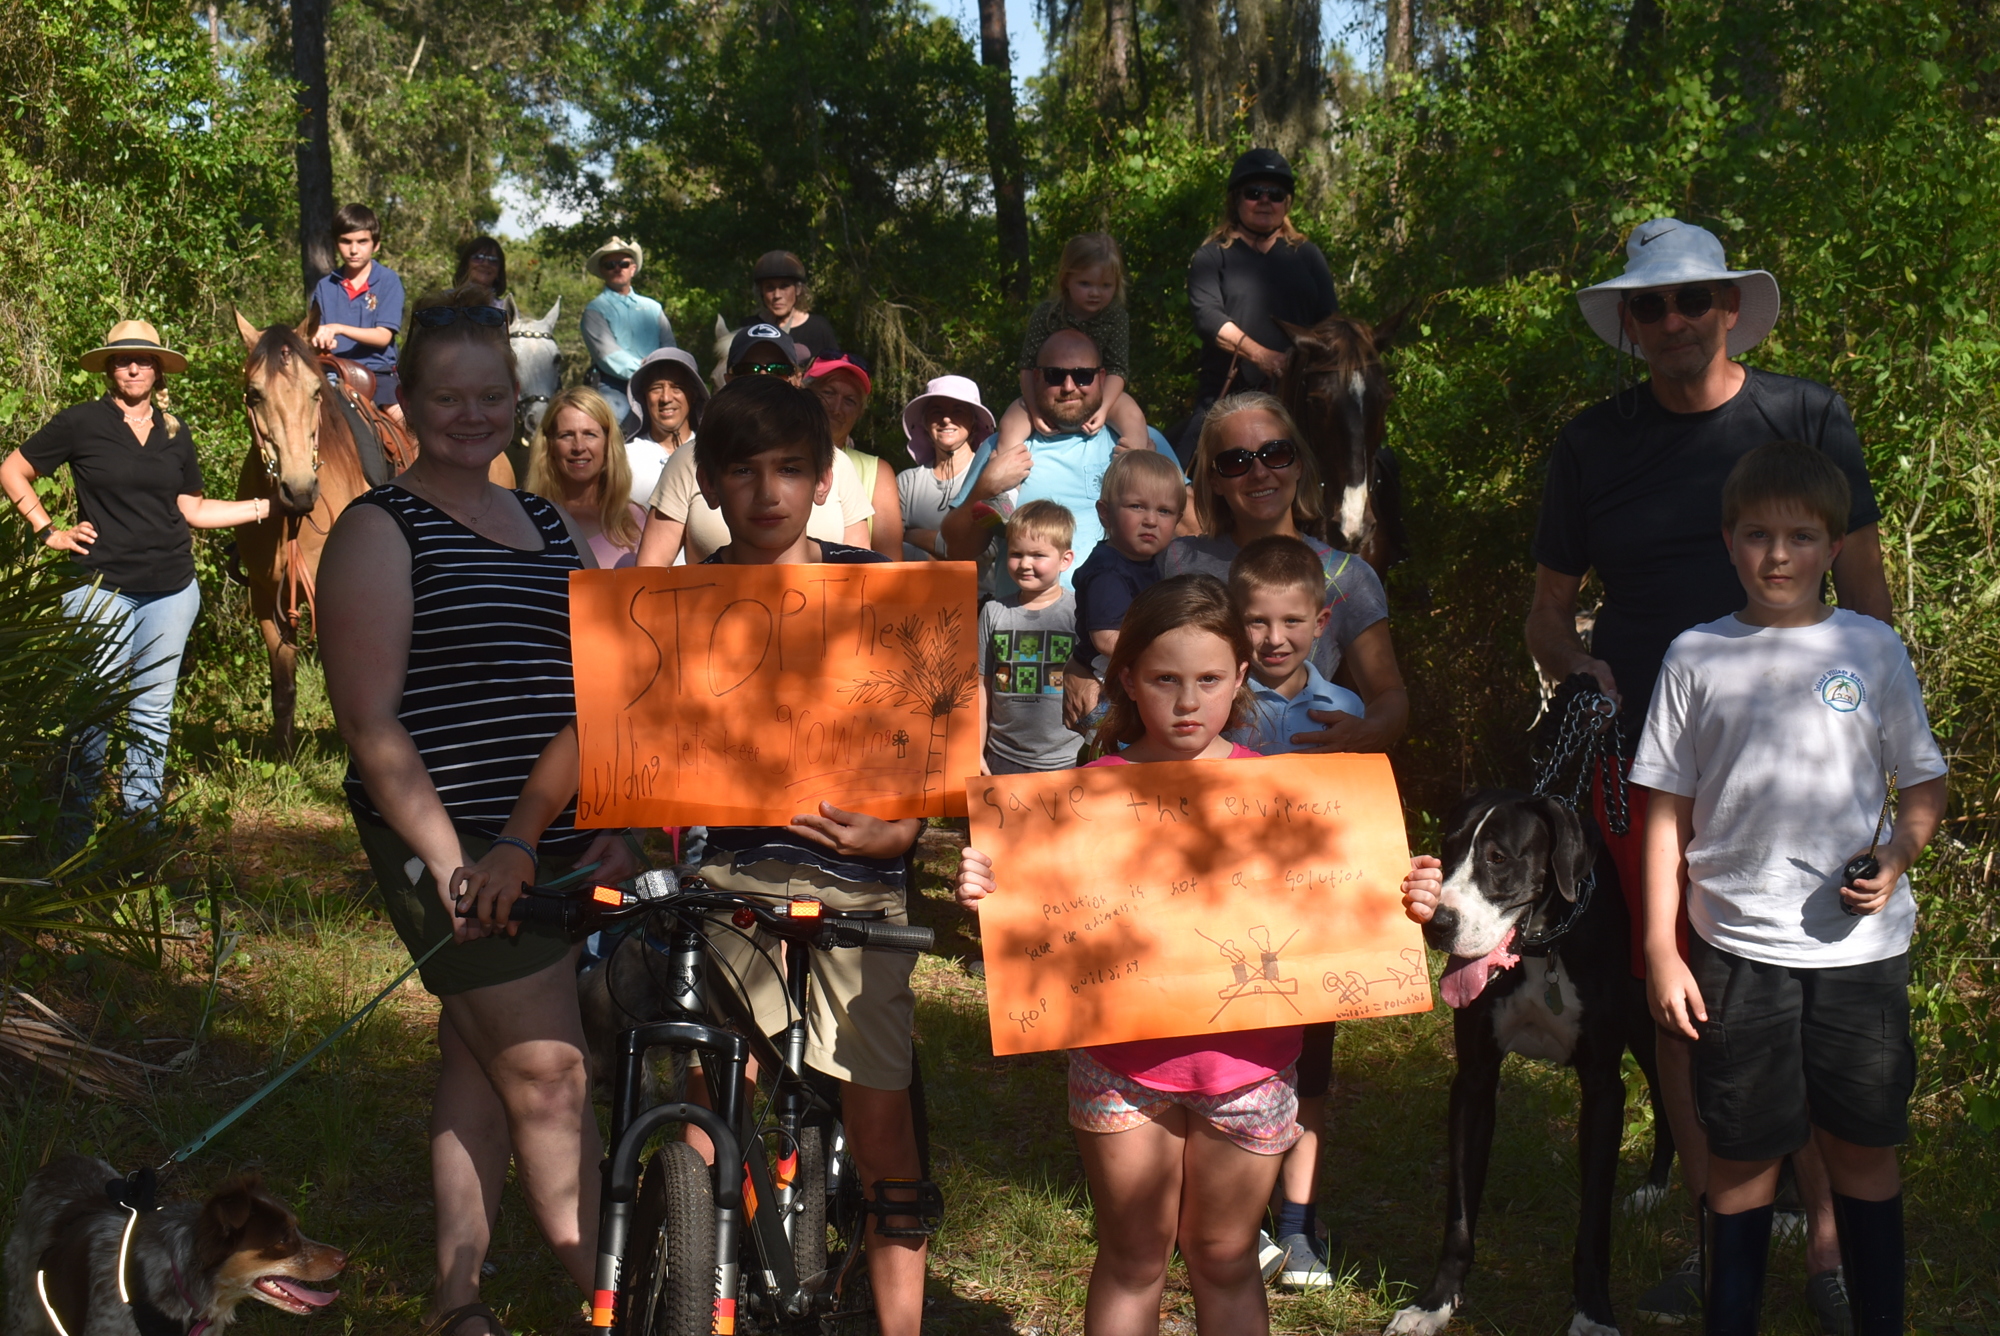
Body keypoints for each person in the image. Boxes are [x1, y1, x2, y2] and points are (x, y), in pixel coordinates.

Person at [1527, 216, 1893, 1327]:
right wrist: (1575, 661)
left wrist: (1872, 749)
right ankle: (1711, 1219)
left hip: (1804, 766)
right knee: (1681, 998)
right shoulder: (1589, 445)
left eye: (1692, 300)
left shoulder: (1803, 414)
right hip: (1649, 765)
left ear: (1730, 305)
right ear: (1627, 325)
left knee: (1815, 987)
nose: (1674, 321)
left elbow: (1867, 598)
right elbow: (1544, 611)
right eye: (1650, 305)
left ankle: (1829, 1246)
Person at [316, 283, 642, 1336]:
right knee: (548, 1072)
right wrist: (455, 862)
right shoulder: (379, 528)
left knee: (480, 1052)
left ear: (519, 401)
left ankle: (457, 1304)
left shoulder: (546, 519)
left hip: (542, 832)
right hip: (446, 841)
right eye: (447, 396)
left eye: (491, 395)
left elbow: (585, 682)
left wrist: (591, 819)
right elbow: (370, 724)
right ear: (404, 401)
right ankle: (621, 1302)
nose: (471, 413)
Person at [1632, 442, 1945, 1336]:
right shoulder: (1696, 655)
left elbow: (1923, 783)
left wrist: (1895, 857)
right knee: (1739, 1156)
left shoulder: (1870, 647)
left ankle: (1878, 1315)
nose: (1779, 555)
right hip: (1735, 950)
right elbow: (1665, 814)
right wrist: (1662, 948)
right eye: (1759, 534)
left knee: (1863, 1149)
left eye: (1802, 536)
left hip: (1861, 957)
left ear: (1834, 545)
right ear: (1728, 541)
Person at [956, 574, 1298, 1336]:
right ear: (1129, 680)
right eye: (1166, 679)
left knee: (1225, 1257)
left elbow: (1338, 900)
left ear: (1241, 678)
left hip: (1250, 1064)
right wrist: (990, 888)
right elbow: (1040, 912)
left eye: (1209, 680)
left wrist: (1402, 895)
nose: (1187, 701)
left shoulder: (1286, 794)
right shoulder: (1082, 796)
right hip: (1122, 1064)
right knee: (1134, 1256)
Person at [681, 374, 931, 1335]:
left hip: (857, 886)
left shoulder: (872, 589)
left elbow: (942, 712)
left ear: (826, 480)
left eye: (791, 469)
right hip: (727, 880)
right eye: (742, 471)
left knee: (879, 1126)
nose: (768, 491)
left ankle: (899, 1318)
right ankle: (713, 1274)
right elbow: (622, 734)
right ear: (706, 483)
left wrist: (905, 826)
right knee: (715, 1101)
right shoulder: (678, 605)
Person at [0, 320, 274, 820]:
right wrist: (48, 531)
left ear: (158, 370)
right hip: (99, 588)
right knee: (92, 714)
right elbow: (12, 469)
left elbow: (193, 509)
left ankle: (139, 829)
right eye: (123, 359)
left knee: (152, 713)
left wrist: (265, 507)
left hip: (172, 592)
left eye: (144, 359)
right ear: (109, 368)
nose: (133, 366)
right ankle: (74, 833)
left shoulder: (175, 432)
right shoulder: (81, 423)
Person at [1219, 535, 1365, 1285]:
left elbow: (1358, 828)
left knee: (1307, 1081)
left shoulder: (1346, 710)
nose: (1274, 639)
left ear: (1322, 620)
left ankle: (1298, 1227)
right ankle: (1231, 1224)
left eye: (1291, 622)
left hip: (1312, 934)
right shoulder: (1217, 700)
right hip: (1219, 927)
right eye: (1255, 622)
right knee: (1234, 1072)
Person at [1136, 393, 1407, 751]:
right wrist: (1080, 665)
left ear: (1298, 464)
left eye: (1275, 453)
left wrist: (1367, 732)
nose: (1259, 472)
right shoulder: (1175, 562)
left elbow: (1389, 694)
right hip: (1201, 786)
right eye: (1236, 461)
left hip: (1308, 784)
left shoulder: (1345, 575)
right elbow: (1124, 652)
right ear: (1214, 479)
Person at [939, 329, 1180, 593]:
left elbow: (1192, 529)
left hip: (1122, 623)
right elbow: (957, 551)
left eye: (1082, 376)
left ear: (1101, 378)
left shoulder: (1144, 444)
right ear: (1036, 377)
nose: (1068, 386)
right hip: (1028, 627)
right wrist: (984, 488)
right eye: (1055, 375)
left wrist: (1157, 484)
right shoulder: (1002, 447)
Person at [1182, 149, 1338, 462]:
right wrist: (1262, 355)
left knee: (1368, 458)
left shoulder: (1308, 255)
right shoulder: (1212, 256)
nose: (1265, 201)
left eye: (1276, 195)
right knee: (1179, 468)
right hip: (1227, 394)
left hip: (1301, 396)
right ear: (1236, 200)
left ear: (1287, 203)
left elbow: (1330, 323)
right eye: (1254, 193)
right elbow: (1208, 316)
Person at [995, 233, 1149, 457]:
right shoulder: (1047, 314)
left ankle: (1137, 466)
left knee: (1134, 418)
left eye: (1106, 285)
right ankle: (1005, 483)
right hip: (1050, 395)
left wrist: (1104, 408)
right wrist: (1035, 411)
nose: (1095, 293)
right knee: (1011, 423)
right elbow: (1028, 367)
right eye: (1085, 283)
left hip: (1101, 393)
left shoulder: (1116, 317)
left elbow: (1117, 369)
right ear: (1066, 279)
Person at [980, 501, 1079, 775]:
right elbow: (982, 686)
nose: (1025, 564)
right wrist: (976, 751)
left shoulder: (1082, 612)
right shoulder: (992, 612)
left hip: (1069, 759)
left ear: (1065, 559)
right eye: (1016, 553)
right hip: (1001, 757)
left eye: (1037, 555)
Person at [527, 386, 646, 569]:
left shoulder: (634, 520)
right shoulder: (526, 521)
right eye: (566, 435)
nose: (579, 447)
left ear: (608, 443)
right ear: (550, 445)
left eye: (590, 434)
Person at [311, 202, 408, 425]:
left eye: (362, 242)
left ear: (375, 245)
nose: (354, 250)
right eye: (346, 242)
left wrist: (338, 328)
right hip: (332, 374)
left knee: (409, 429)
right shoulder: (325, 287)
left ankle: (427, 460)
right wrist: (320, 340)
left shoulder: (388, 281)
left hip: (378, 375)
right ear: (336, 244)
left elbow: (384, 336)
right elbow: (315, 336)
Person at [809, 351, 903, 558]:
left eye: (849, 400)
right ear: (805, 395)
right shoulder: (773, 458)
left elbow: (891, 564)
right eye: (828, 393)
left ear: (860, 412)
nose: (836, 408)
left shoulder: (877, 471)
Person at [580, 236, 676, 434]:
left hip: (659, 380)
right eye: (610, 264)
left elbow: (669, 347)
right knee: (613, 430)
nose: (617, 268)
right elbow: (608, 356)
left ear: (633, 268)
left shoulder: (653, 307)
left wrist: (663, 373)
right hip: (615, 387)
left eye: (623, 263)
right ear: (602, 271)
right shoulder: (594, 310)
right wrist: (649, 372)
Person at [897, 374, 994, 566]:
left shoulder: (990, 475)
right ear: (924, 422)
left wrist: (913, 535)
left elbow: (989, 551)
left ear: (973, 421)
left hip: (980, 595)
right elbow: (890, 547)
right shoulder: (906, 483)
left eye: (958, 411)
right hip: (919, 595)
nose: (946, 419)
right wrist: (940, 560)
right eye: (936, 411)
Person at [623, 347, 707, 510]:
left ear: (694, 394)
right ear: (643, 396)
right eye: (656, 388)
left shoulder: (713, 455)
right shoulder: (624, 459)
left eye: (677, 387)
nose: (666, 398)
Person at [746, 250, 839, 362]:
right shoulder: (750, 328)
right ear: (761, 292)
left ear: (798, 289)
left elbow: (835, 374)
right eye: (770, 288)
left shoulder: (819, 329)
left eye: (784, 286)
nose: (777, 295)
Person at [454, 235, 513, 319]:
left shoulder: (506, 310)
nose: (485, 264)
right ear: (466, 265)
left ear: (499, 272)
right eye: (478, 258)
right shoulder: (446, 302)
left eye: (493, 260)